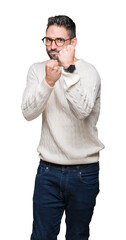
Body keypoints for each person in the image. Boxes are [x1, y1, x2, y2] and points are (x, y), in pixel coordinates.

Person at [21, 15, 104, 240]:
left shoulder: (89, 72)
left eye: (59, 40)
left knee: (77, 236)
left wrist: (68, 71)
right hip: (47, 171)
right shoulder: (37, 70)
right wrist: (47, 82)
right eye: (48, 40)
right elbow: (28, 113)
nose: (52, 46)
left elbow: (82, 111)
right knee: (40, 236)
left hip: (83, 172)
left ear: (73, 43)